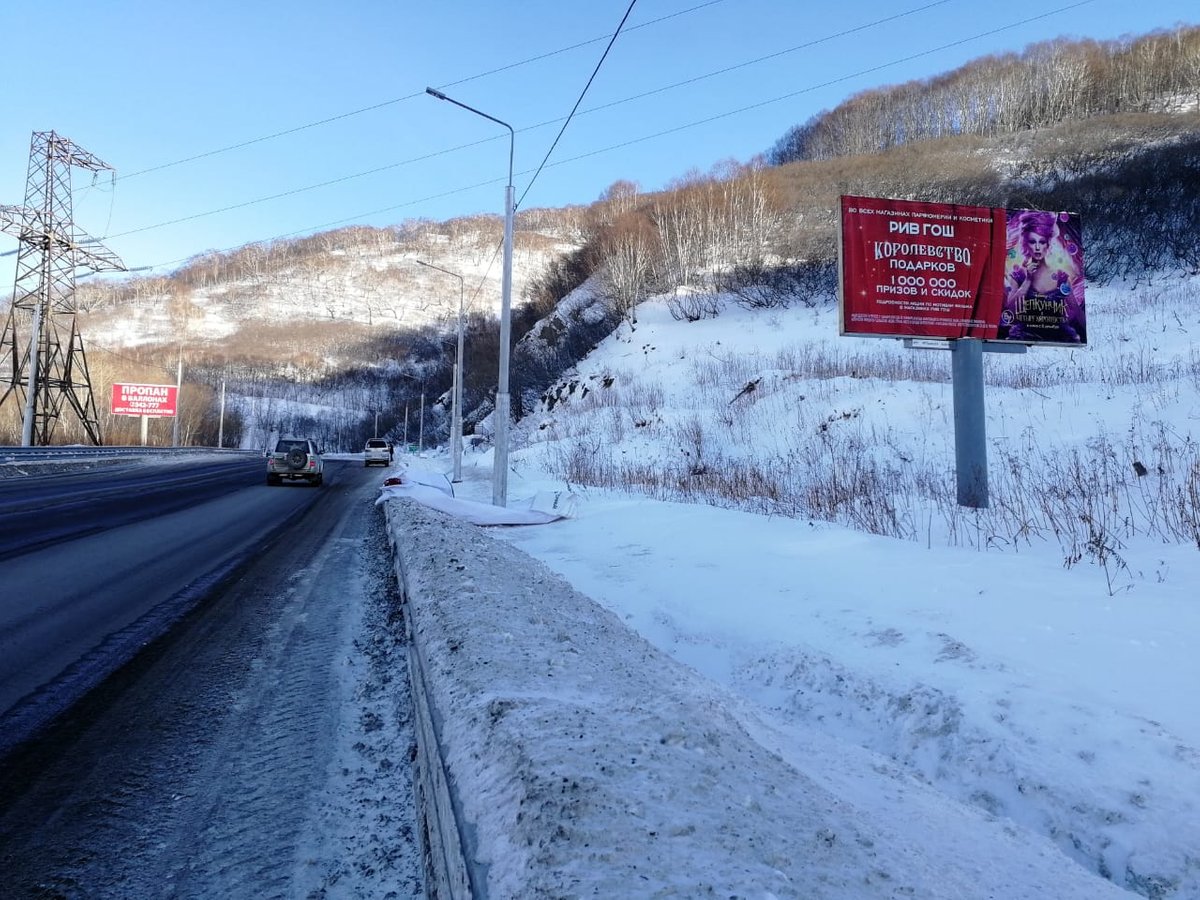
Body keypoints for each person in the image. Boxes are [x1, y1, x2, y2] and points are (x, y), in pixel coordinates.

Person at [999, 209, 1086, 344]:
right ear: (1026, 244)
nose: (1038, 247)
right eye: (1033, 242)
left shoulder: (1061, 276)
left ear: (1048, 243)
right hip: (1023, 338)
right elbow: (1008, 313)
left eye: (1042, 241)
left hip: (1059, 339)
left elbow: (1076, 309)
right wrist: (1027, 282)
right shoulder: (1019, 276)